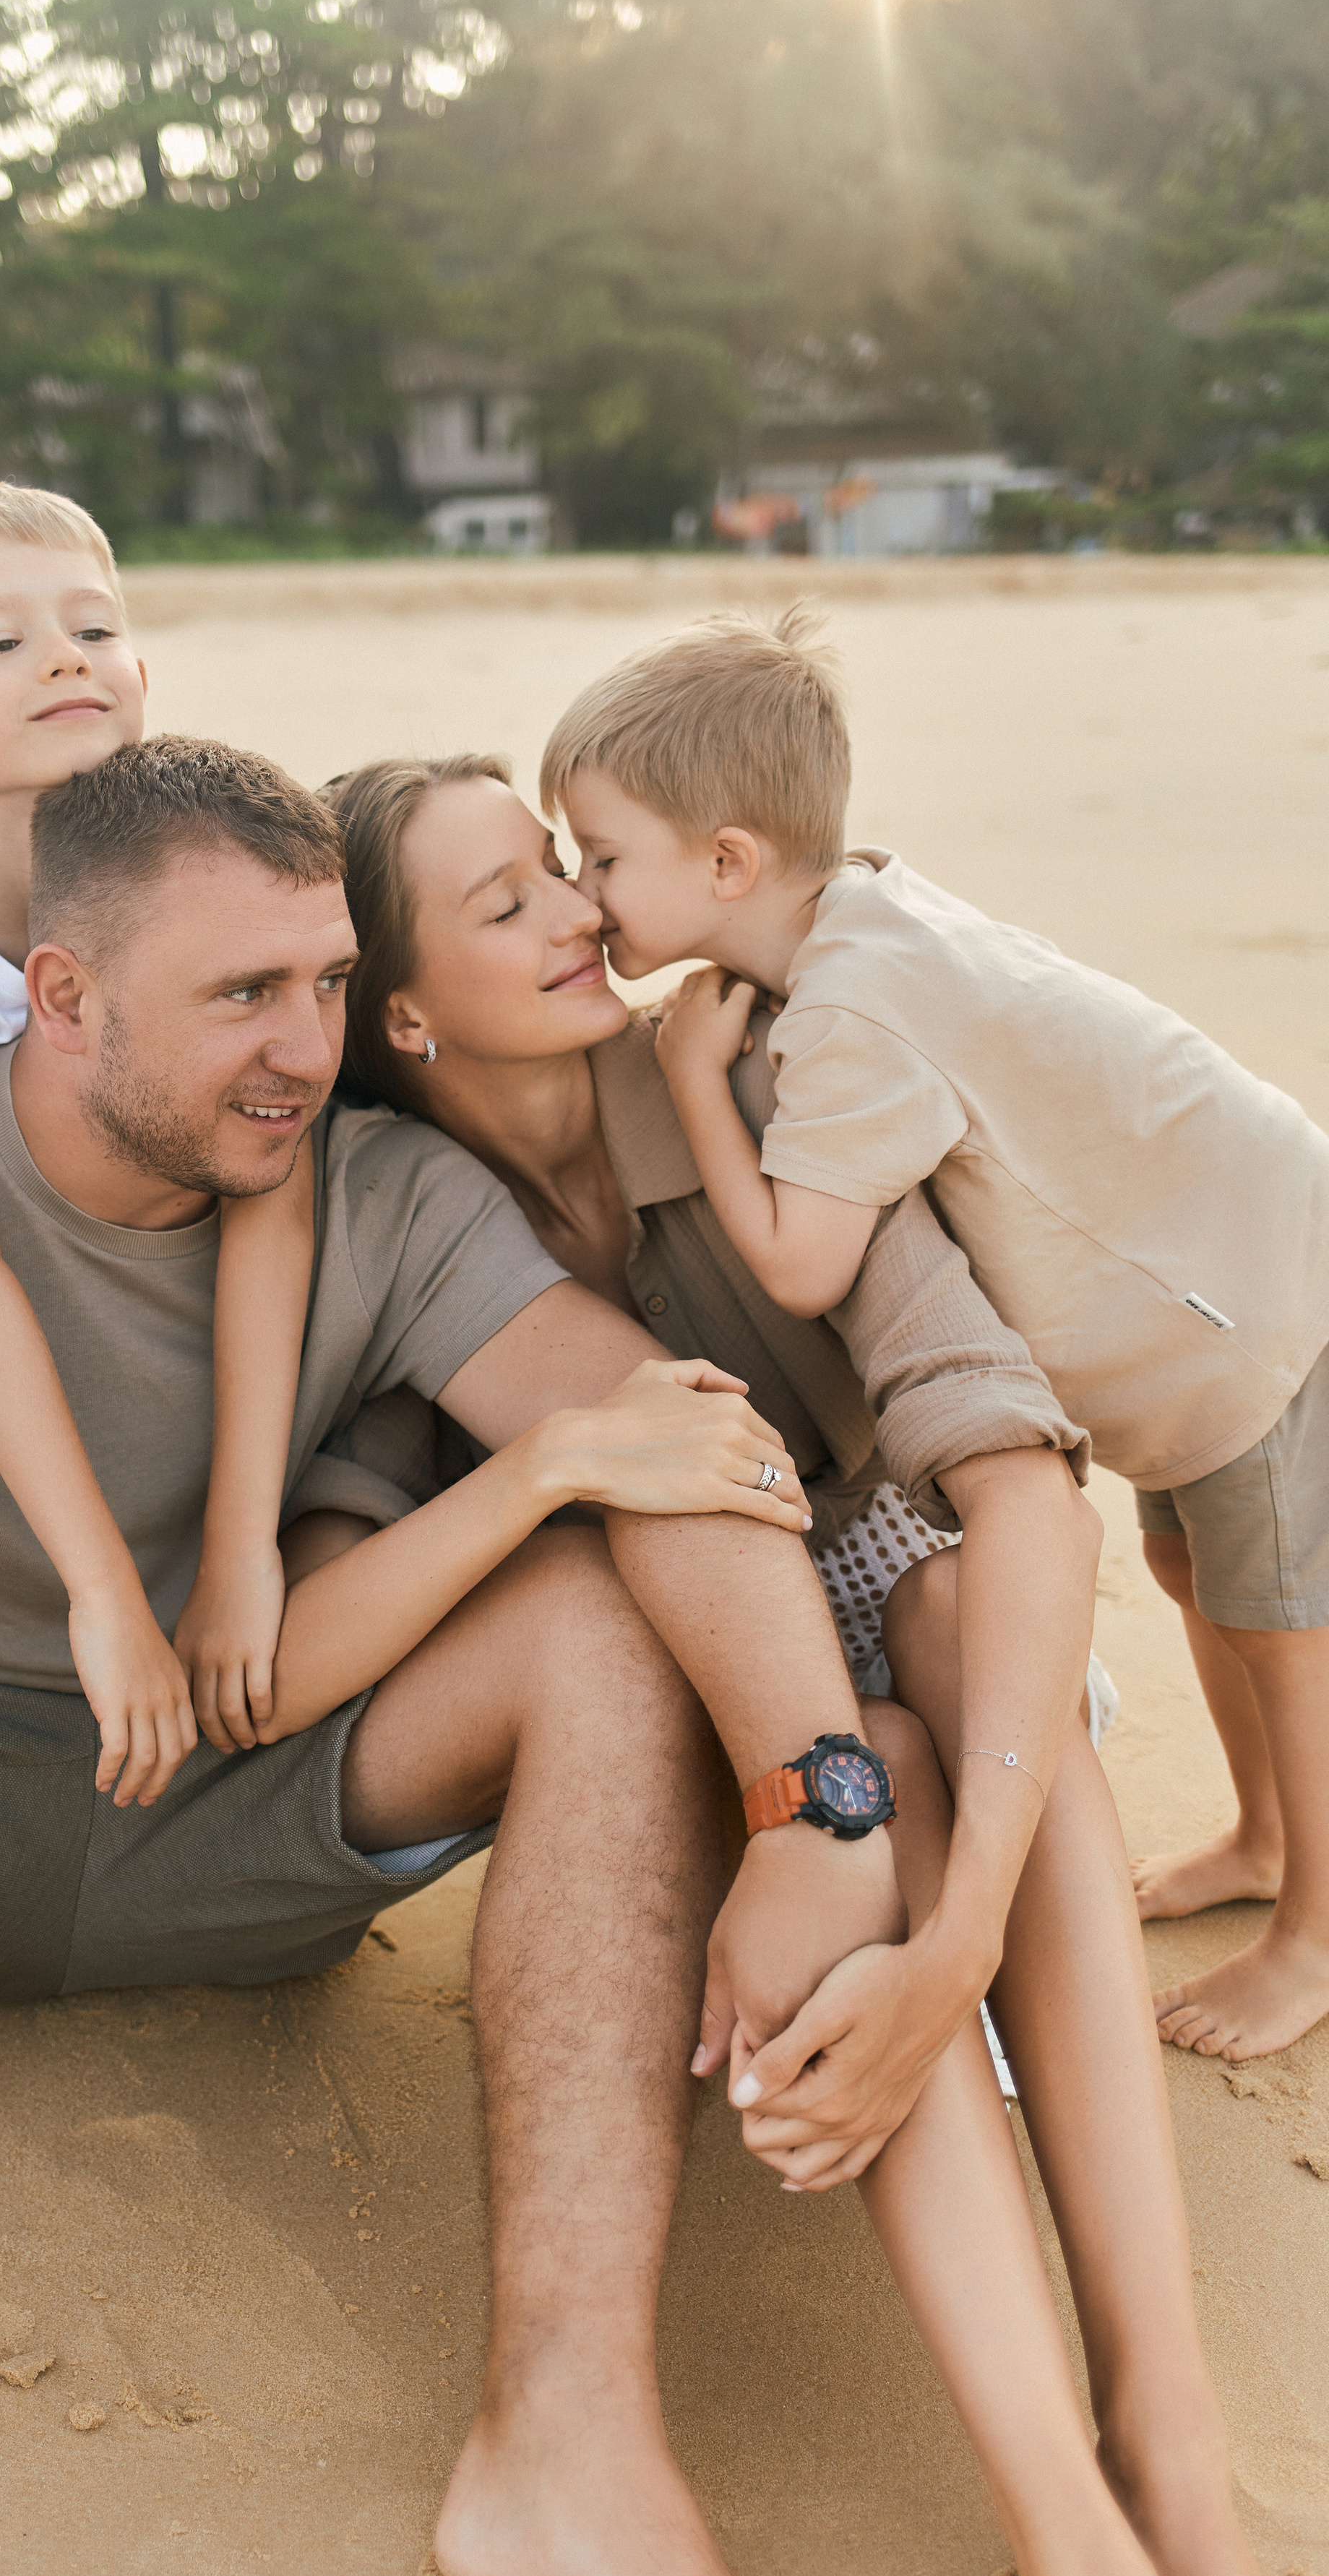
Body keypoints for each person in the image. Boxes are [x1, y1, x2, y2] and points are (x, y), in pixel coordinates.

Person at [0, 731, 932, 2576]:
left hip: (275, 1805)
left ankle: (567, 2452)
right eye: (243, 993)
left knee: (589, 1618)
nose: (304, 1048)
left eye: (328, 984)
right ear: (59, 997)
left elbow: (679, 1444)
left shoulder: (382, 1198)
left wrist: (815, 1793)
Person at [319, 746, 1280, 2576]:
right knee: (879, 1773)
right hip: (691, 1724)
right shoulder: (394, 1234)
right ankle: (1079, 2544)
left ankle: (1164, 2447)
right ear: (405, 1013)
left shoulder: (752, 1072)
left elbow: (1020, 1483)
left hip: (948, 1643)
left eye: (558, 866)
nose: (583, 909)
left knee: (934, 1619)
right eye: (506, 901)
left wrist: (961, 1943)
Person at [544, 604, 1329, 2069]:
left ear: (724, 864)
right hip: (1206, 1273)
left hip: (1245, 1306)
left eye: (598, 856)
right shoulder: (860, 915)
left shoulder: (847, 1012)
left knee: (1283, 1617)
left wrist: (693, 1079)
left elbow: (795, 1261)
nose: (579, 894)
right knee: (1189, 1567)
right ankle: (1264, 1839)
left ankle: (1316, 1935)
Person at [0, 478, 314, 1791]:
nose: (64, 657)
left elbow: (274, 1182)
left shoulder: (210, 858)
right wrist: (103, 1591)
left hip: (197, 1298)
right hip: (2, 1346)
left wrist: (242, 1547)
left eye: (94, 628)